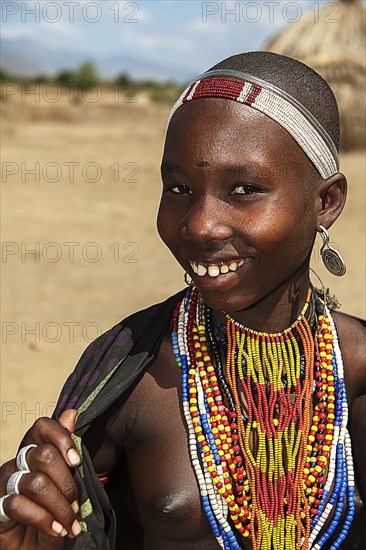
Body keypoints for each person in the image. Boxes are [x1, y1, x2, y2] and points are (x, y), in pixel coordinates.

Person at [0, 51, 365, 550]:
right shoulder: (132, 376)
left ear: (327, 202)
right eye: (179, 188)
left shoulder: (358, 369)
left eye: (243, 189)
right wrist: (24, 523)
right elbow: (57, 523)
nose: (198, 224)